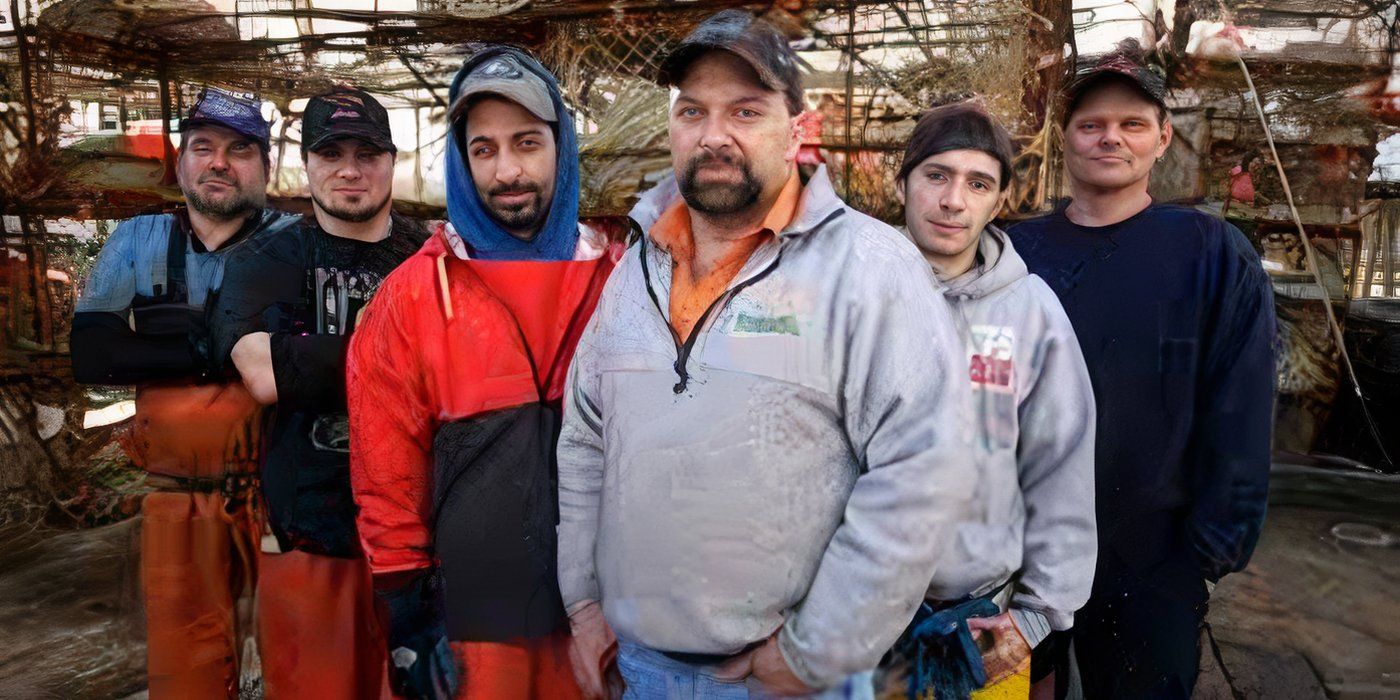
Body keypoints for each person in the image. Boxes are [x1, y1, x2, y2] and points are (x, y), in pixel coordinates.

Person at [557, 9, 976, 699]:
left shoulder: (867, 269)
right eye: (692, 111)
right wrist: (584, 603)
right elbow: (585, 441)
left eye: (745, 111)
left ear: (794, 130)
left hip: (784, 679)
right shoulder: (635, 270)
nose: (713, 135)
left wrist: (817, 651)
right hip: (640, 669)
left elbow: (923, 471)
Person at [346, 46, 618, 699]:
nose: (508, 171)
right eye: (484, 149)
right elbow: (387, 469)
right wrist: (407, 615)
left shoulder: (622, 282)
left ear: (562, 146)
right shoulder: (413, 296)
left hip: (606, 619)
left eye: (527, 143)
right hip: (475, 627)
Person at [1008, 50, 1276, 698]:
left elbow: (1240, 409)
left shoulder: (1209, 254)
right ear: (1064, 139)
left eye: (1131, 124)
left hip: (1152, 554)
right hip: (1021, 546)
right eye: (1091, 123)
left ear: (1162, 137)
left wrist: (1206, 559)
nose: (1110, 138)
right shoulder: (1015, 253)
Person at [69, 87, 299, 698]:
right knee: (186, 666)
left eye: (240, 150)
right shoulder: (137, 240)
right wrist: (216, 352)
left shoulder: (297, 241)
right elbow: (94, 354)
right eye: (204, 147)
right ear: (182, 160)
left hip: (284, 498)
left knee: (297, 660)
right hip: (177, 500)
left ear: (266, 168)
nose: (220, 162)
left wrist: (171, 350)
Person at [208, 87, 424, 699]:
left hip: (417, 539)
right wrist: (402, 350)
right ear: (306, 163)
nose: (351, 170)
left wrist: (314, 356)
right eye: (332, 154)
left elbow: (460, 371)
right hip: (311, 537)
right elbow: (262, 373)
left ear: (391, 161)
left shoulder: (429, 255)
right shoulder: (269, 257)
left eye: (368, 153)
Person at [885, 102, 1097, 700]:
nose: (954, 200)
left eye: (978, 183)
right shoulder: (852, 295)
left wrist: (1037, 616)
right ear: (900, 183)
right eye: (936, 175)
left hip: (979, 622)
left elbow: (1062, 466)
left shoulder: (1031, 311)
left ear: (999, 200)